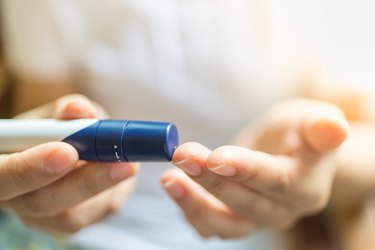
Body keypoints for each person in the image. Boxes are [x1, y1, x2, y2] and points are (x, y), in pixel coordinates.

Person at [1, 1, 375, 249]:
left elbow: (365, 134)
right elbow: (44, 126)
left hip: (263, 238)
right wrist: (53, 187)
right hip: (98, 235)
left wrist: (318, 164)